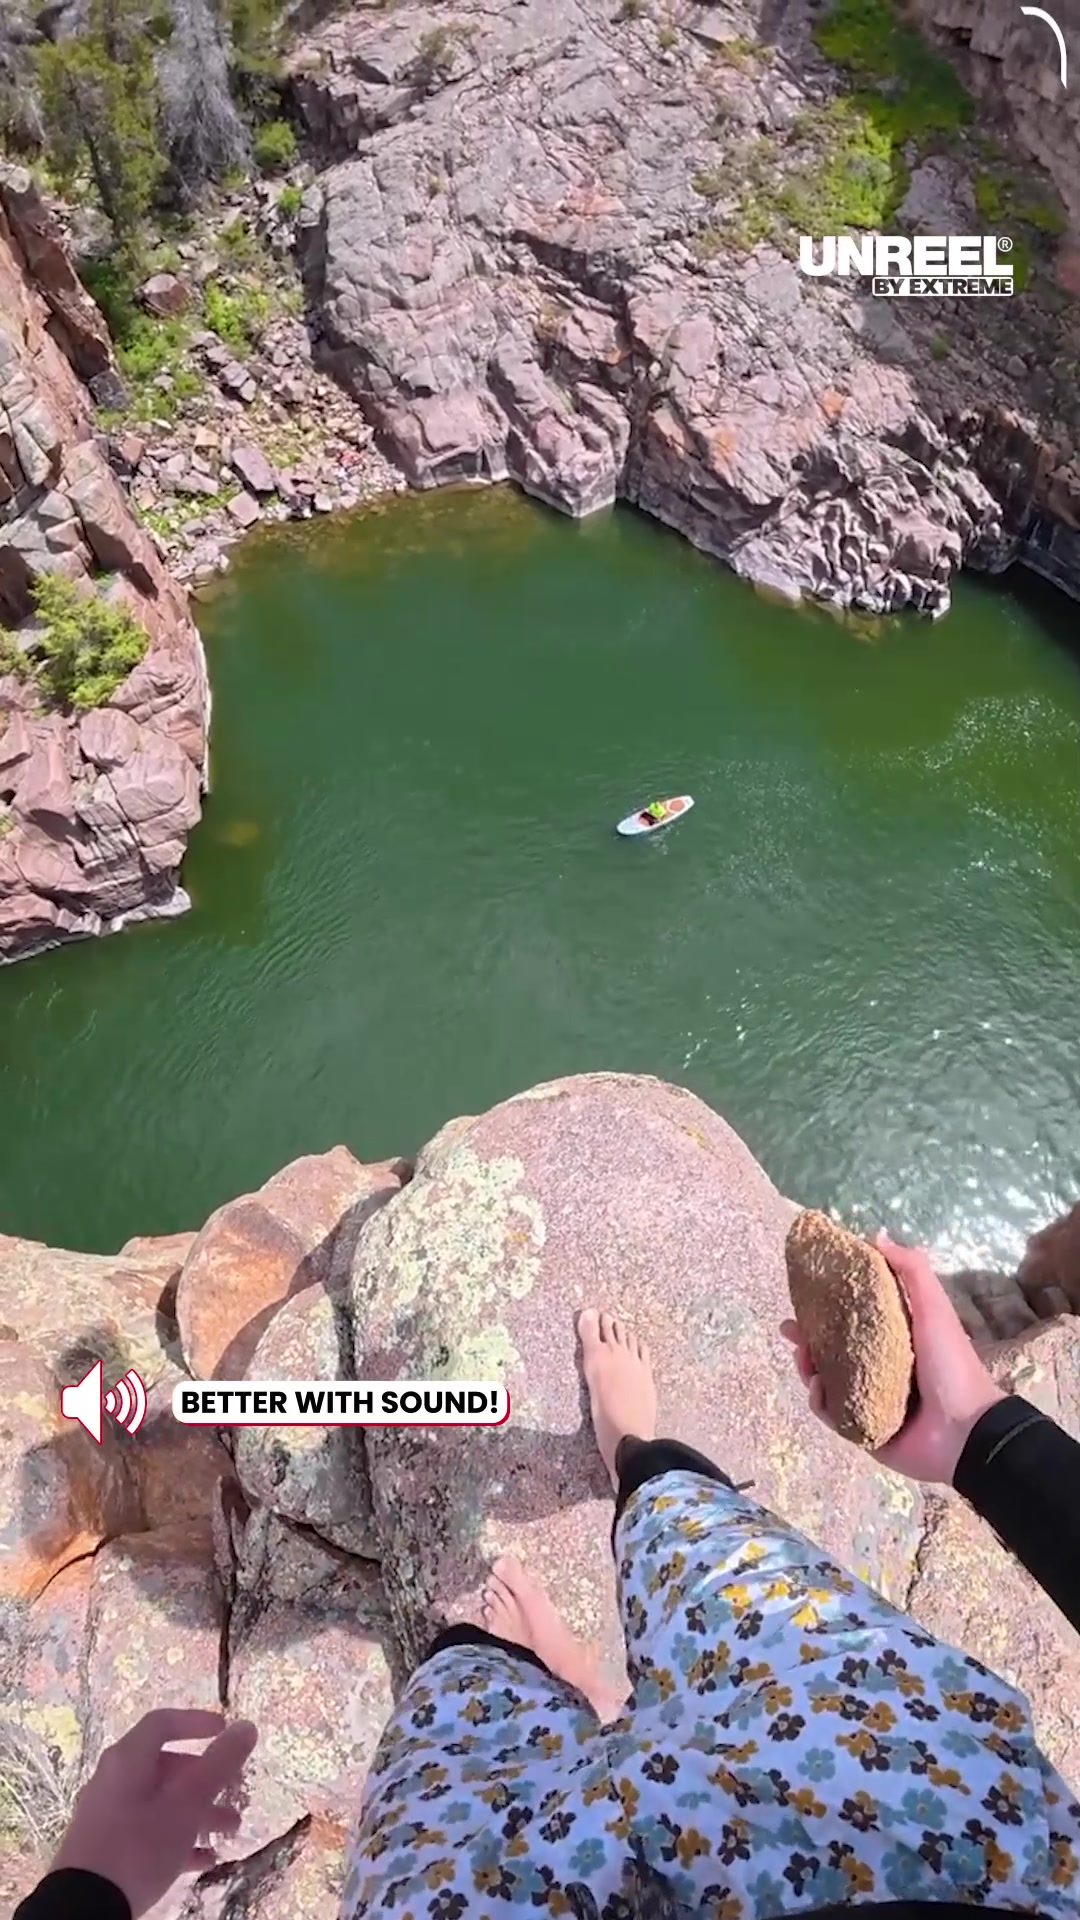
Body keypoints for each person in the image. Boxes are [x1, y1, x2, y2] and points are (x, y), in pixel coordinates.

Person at [16, 1237, 1080, 1920]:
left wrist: (89, 1890)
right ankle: (628, 1508)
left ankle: (536, 1679)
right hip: (957, 1843)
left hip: (610, 1875)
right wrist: (988, 1441)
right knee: (720, 1570)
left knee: (456, 1740)